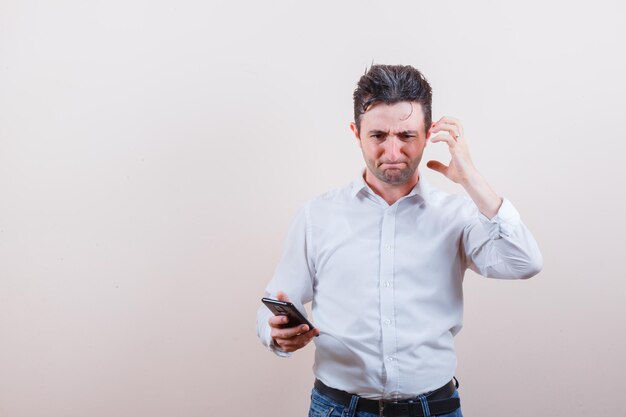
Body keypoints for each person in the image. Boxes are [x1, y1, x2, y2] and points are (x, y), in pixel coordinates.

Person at [256, 64, 543, 417]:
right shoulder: (317, 216)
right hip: (338, 408)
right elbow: (275, 302)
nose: (393, 152)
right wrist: (277, 334)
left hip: (434, 408)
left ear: (429, 134)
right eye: (378, 136)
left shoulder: (458, 216)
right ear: (356, 133)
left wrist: (470, 178)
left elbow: (524, 262)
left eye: (407, 136)